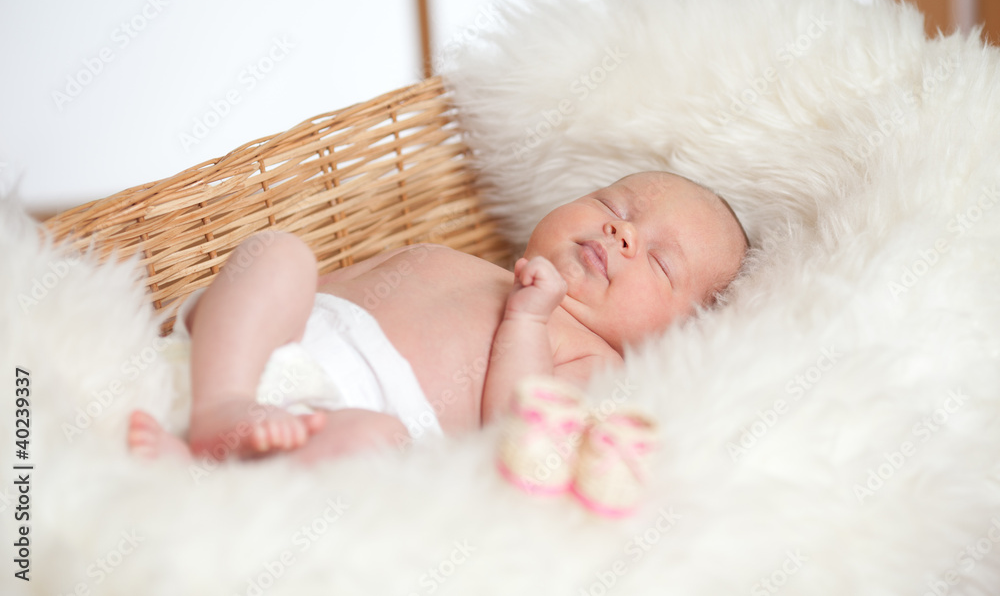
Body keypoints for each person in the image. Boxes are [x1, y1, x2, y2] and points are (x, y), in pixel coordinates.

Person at [126, 171, 749, 464]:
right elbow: (331, 289)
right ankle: (217, 408)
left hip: (336, 417)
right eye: (613, 204)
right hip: (251, 353)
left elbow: (521, 427)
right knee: (281, 253)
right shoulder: (462, 260)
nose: (622, 233)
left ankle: (212, 473)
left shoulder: (596, 358)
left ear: (678, 336)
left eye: (662, 263)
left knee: (378, 447)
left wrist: (527, 322)